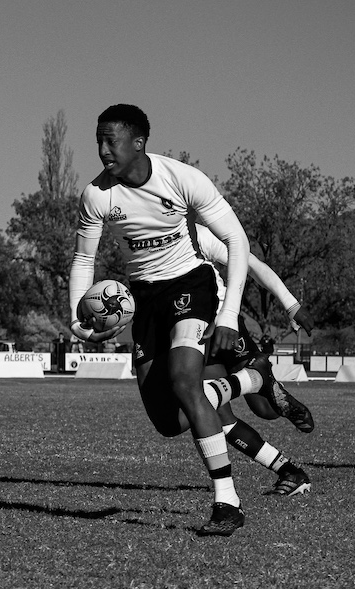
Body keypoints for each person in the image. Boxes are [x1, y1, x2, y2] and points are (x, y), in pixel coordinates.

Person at [68, 104, 313, 536]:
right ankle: (250, 382)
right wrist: (77, 320)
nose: (103, 150)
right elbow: (83, 258)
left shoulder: (182, 180)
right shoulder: (96, 195)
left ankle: (227, 501)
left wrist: (232, 314)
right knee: (170, 421)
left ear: (138, 142)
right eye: (98, 141)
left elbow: (238, 241)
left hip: (192, 288)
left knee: (188, 382)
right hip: (144, 299)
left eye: (111, 140)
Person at [195, 222, 313, 495]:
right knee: (215, 414)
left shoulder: (197, 234)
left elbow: (252, 264)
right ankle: (288, 471)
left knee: (265, 410)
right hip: (193, 334)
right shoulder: (140, 239)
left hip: (224, 323)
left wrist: (292, 304)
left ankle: (272, 391)